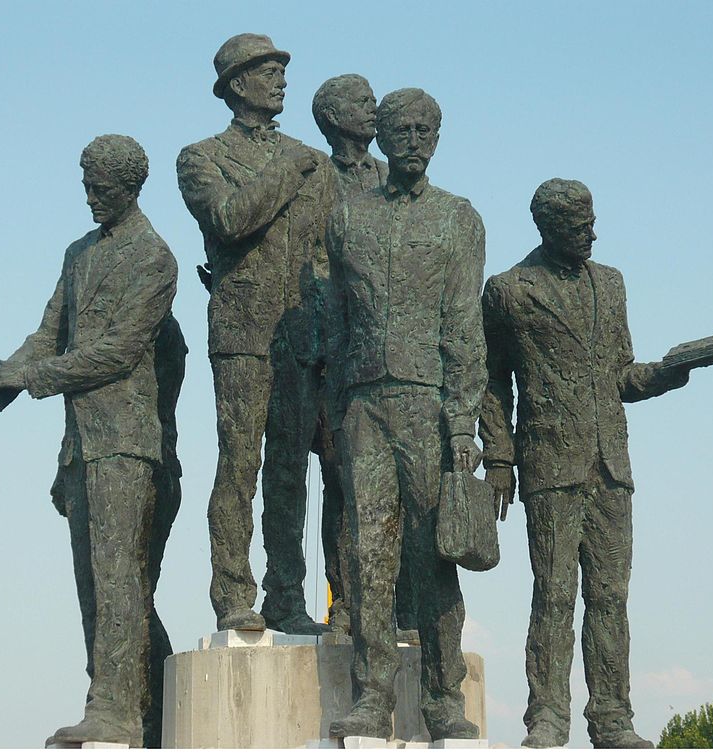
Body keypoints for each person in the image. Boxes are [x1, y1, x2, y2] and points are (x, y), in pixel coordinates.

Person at [0, 134, 185, 748]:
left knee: (119, 582)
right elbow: (47, 335)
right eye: (85, 185)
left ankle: (115, 710)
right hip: (81, 446)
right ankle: (148, 707)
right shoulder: (77, 253)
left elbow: (115, 354)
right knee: (99, 585)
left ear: (130, 188)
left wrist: (28, 379)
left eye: (100, 189)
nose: (89, 198)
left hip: (128, 444)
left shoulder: (154, 258)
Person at [480, 178, 693, 749]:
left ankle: (613, 718)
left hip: (610, 465)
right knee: (552, 593)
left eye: (593, 223)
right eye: (579, 227)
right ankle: (546, 717)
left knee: (610, 596)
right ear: (548, 228)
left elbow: (622, 375)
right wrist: (499, 456)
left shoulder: (612, 284)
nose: (591, 235)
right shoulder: (509, 291)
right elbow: (491, 380)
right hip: (549, 463)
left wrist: (673, 370)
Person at [325, 88, 486, 741]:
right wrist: (338, 409)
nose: (415, 139)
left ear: (438, 138)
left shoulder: (458, 218)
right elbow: (335, 320)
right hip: (364, 403)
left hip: (428, 402)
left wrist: (463, 424)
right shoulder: (347, 219)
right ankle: (372, 696)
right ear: (383, 138)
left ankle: (445, 697)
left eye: (426, 129)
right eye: (403, 129)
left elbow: (464, 327)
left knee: (432, 553)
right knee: (368, 553)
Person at [176, 33, 334, 634]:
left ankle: (286, 598)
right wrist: (284, 170)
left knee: (291, 467)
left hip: (299, 336)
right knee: (239, 463)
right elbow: (230, 218)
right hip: (241, 330)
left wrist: (324, 333)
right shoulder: (201, 157)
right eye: (269, 71)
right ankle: (232, 595)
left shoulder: (308, 159)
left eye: (282, 71)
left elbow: (322, 254)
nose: (281, 80)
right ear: (238, 85)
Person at [311, 73, 414, 634]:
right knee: (340, 481)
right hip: (332, 351)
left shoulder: (389, 176)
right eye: (360, 101)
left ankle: (391, 601)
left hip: (388, 351)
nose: (372, 107)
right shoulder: (314, 178)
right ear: (330, 114)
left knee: (388, 491)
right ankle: (345, 598)